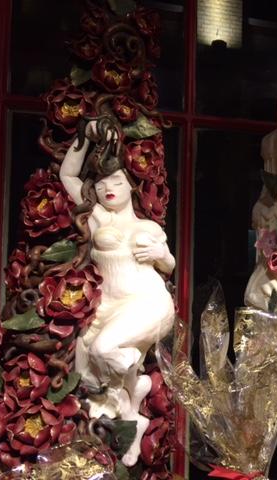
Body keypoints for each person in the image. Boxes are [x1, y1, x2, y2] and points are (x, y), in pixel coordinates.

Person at [60, 119, 175, 466]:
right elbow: (68, 176)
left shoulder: (147, 226)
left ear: (131, 186)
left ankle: (130, 385)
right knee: (84, 356)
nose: (108, 188)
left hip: (148, 302)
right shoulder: (97, 217)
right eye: (102, 183)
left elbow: (169, 265)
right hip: (108, 305)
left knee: (103, 348)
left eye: (117, 181)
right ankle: (132, 409)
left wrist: (160, 254)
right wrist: (86, 134)